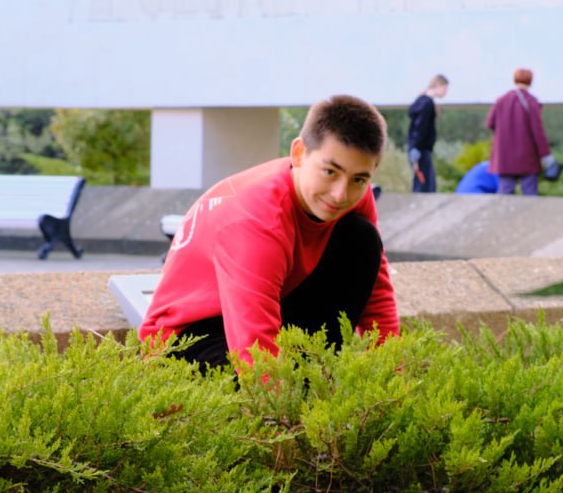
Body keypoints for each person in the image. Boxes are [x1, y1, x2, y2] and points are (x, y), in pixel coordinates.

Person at [140, 94, 400, 371]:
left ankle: (317, 372)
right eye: (329, 172)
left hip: (266, 305)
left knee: (362, 239)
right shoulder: (256, 220)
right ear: (299, 154)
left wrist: (393, 377)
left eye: (358, 179)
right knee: (260, 383)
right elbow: (255, 351)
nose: (340, 194)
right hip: (189, 336)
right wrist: (278, 393)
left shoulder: (353, 196)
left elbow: (377, 294)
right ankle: (308, 384)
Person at [485, 68, 557, 196]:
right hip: (527, 158)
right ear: (530, 81)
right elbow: (538, 131)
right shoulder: (531, 101)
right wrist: (546, 155)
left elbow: (490, 123)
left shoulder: (501, 100)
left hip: (505, 158)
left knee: (504, 194)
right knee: (529, 195)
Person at [406, 74, 448, 193]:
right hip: (420, 150)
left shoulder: (422, 101)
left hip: (420, 149)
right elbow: (420, 127)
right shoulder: (426, 103)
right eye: (445, 88)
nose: (445, 92)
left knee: (426, 185)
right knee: (424, 187)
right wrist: (415, 147)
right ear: (438, 85)